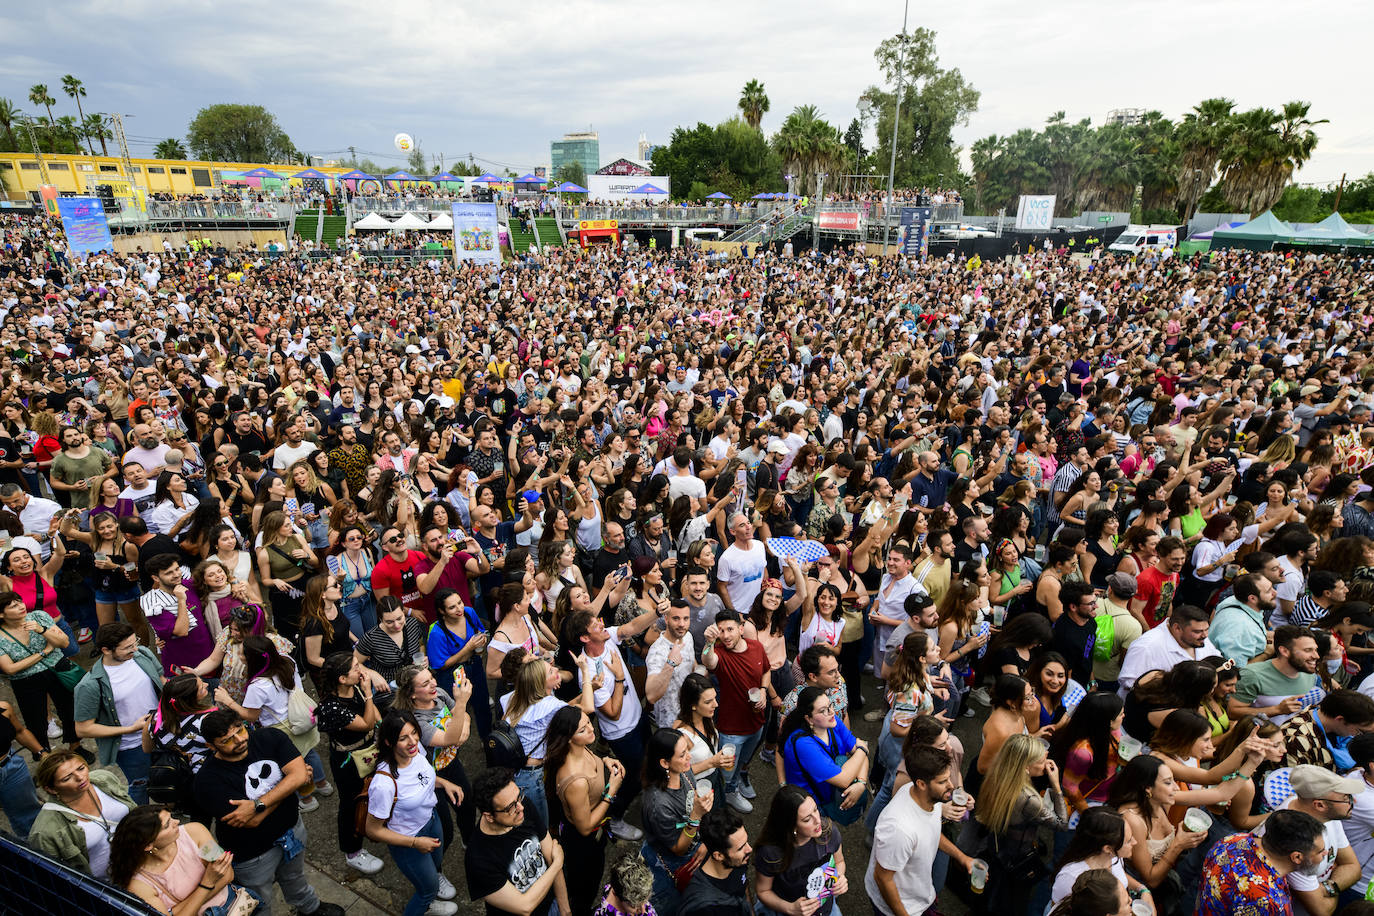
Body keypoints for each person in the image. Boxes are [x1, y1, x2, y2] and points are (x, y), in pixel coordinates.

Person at [192, 709, 345, 916]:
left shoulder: (269, 737)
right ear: (211, 746)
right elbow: (252, 822)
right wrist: (288, 784)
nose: (239, 740)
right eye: (227, 740)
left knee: (295, 877)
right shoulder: (208, 781)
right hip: (253, 855)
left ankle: (310, 908)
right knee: (258, 901)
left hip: (292, 830)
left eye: (240, 730)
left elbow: (299, 776)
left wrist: (257, 804)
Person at [364, 709, 465, 916]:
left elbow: (423, 776)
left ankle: (430, 899)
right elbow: (373, 830)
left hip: (431, 821)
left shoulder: (416, 749)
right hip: (408, 840)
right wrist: (415, 843)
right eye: (403, 738)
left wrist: (444, 783)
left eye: (414, 733)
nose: (412, 741)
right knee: (426, 891)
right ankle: (427, 903)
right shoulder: (384, 784)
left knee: (435, 867)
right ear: (389, 743)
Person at [865, 743, 973, 916]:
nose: (952, 786)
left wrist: (963, 858)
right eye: (943, 781)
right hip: (900, 907)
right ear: (922, 784)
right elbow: (882, 878)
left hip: (920, 896)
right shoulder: (899, 829)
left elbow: (930, 832)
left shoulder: (928, 798)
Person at [969, 733, 1069, 913]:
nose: (1045, 761)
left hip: (996, 847)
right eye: (1040, 760)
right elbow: (1062, 823)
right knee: (1008, 904)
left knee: (990, 896)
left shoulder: (999, 774)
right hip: (1017, 858)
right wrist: (1056, 786)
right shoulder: (1028, 799)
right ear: (1025, 767)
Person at [544, 705, 628, 916]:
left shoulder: (581, 748)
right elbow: (585, 827)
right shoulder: (576, 782)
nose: (591, 729)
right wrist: (612, 792)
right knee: (584, 889)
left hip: (597, 833)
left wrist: (605, 760)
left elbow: (593, 761)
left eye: (589, 723)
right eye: (582, 730)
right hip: (583, 843)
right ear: (569, 738)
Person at [72, 621, 164, 805]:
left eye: (135, 642)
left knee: (167, 774)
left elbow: (161, 680)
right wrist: (130, 729)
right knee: (140, 785)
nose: (135, 648)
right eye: (128, 647)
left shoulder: (142, 654)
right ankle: (141, 824)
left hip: (163, 732)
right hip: (132, 748)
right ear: (106, 650)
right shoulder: (89, 685)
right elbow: (83, 729)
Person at [312, 651, 386, 877]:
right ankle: (352, 851)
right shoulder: (332, 707)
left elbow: (376, 719)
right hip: (348, 762)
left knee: (376, 790)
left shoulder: (351, 688)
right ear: (342, 679)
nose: (361, 670)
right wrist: (368, 693)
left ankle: (377, 826)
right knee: (352, 803)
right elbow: (366, 723)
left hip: (369, 750)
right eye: (355, 668)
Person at [1253, 765, 1363, 916]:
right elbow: (1322, 910)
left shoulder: (1327, 815)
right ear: (1320, 805)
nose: (1354, 801)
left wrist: (1327, 889)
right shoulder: (1290, 838)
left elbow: (1354, 868)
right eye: (1346, 798)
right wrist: (1338, 874)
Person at [107, 804, 250, 916]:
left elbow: (228, 874)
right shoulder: (138, 883)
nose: (177, 822)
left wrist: (178, 910)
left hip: (237, 905)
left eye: (172, 817)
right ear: (148, 845)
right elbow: (218, 876)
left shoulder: (195, 832)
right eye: (167, 824)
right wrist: (208, 882)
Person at [466, 766, 570, 916]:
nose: (521, 807)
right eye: (510, 807)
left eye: (519, 796)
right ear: (489, 816)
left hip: (552, 907)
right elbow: (524, 907)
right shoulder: (479, 859)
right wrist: (556, 865)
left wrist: (565, 910)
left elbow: (550, 854)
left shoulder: (521, 806)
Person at [703, 608, 775, 813]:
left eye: (730, 629)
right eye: (721, 631)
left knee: (744, 761)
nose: (725, 635)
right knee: (725, 771)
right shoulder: (718, 652)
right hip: (731, 729)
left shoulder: (756, 647)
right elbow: (709, 661)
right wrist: (709, 643)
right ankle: (724, 798)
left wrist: (763, 691)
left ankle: (734, 787)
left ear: (741, 629)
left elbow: (766, 671)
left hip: (756, 722)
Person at [1197, 808, 1326, 916]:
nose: (1325, 854)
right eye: (1320, 851)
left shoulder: (1232, 840)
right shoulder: (1269, 901)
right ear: (1297, 857)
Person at [28, 748, 135, 878]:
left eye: (81, 768)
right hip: (109, 885)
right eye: (67, 778)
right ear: (51, 789)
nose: (80, 777)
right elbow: (53, 877)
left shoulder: (104, 779)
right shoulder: (45, 832)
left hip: (141, 859)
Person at [640, 727, 713, 916]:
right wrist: (696, 816)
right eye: (682, 755)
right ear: (665, 763)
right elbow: (678, 848)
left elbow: (693, 799)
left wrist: (706, 840)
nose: (689, 757)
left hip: (694, 847)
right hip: (671, 864)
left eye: (687, 750)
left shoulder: (683, 772)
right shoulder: (658, 805)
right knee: (674, 906)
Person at [779, 685, 871, 824]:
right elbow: (843, 779)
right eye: (823, 711)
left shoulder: (832, 722)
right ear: (809, 719)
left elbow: (859, 755)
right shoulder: (803, 744)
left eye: (830, 706)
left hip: (827, 796)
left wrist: (861, 783)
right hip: (811, 807)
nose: (831, 712)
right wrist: (863, 749)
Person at [0, 587, 77, 752]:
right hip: (26, 681)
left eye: (19, 602)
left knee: (69, 710)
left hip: (58, 670)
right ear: (1, 614)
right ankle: (43, 756)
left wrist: (41, 630)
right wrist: (45, 652)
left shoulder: (39, 616)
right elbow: (10, 669)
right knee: (35, 721)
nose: (21, 606)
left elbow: (64, 643)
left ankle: (76, 745)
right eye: (13, 606)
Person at [754, 784, 848, 916]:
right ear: (791, 825)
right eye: (807, 819)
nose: (818, 821)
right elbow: (763, 891)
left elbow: (839, 862)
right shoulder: (771, 853)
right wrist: (790, 908)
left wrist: (839, 877)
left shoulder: (829, 832)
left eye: (816, 810)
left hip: (826, 908)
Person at [1050, 807, 1153, 910]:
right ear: (1107, 848)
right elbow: (1058, 911)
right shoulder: (1070, 878)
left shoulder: (1114, 856)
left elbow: (1119, 875)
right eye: (1128, 841)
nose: (1135, 842)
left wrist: (1142, 890)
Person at [1116, 604, 1221, 696]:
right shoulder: (1146, 646)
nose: (1205, 635)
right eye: (1198, 631)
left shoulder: (1201, 639)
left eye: (1207, 630)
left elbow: (1216, 660)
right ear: (1177, 628)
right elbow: (1129, 682)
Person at [140, 552, 216, 675]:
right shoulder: (152, 602)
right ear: (155, 578)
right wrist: (181, 600)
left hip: (209, 655)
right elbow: (181, 631)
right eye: (169, 573)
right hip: (182, 662)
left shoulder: (189, 584)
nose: (176, 575)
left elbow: (217, 585)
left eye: (177, 569)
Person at [678, 806, 752, 916]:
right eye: (741, 848)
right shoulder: (701, 907)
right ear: (718, 856)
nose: (749, 849)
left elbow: (744, 887)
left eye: (746, 842)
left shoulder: (737, 860)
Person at [355, 596, 428, 685]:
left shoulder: (413, 624)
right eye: (389, 622)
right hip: (390, 687)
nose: (397, 625)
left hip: (415, 682)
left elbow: (420, 645)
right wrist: (373, 675)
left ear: (403, 612)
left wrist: (422, 659)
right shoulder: (371, 637)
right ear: (381, 619)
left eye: (399, 618)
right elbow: (355, 662)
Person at [0, 696, 44, 836]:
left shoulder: (4, 708)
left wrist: (43, 754)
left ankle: (40, 849)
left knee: (30, 815)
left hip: (11, 767)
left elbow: (20, 731)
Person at [596, 851, 658, 916]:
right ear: (618, 897)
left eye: (644, 901)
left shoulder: (626, 891)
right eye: (634, 906)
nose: (643, 911)